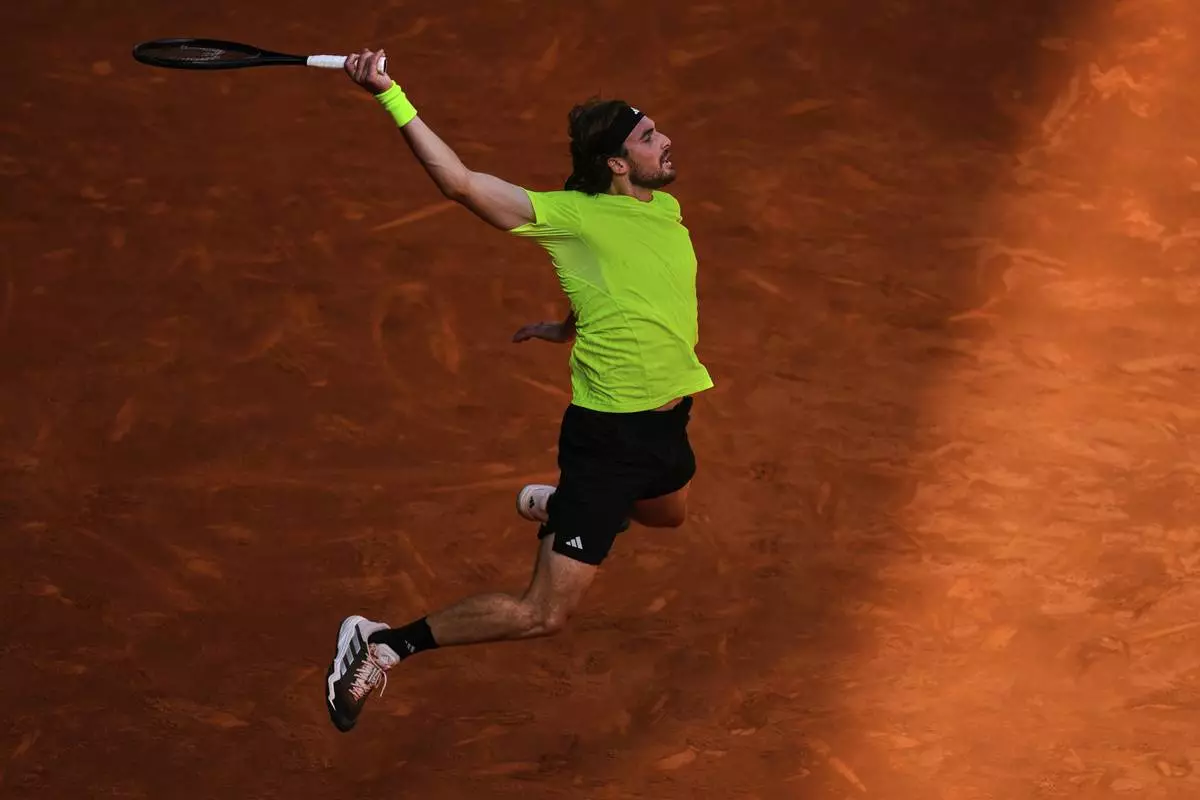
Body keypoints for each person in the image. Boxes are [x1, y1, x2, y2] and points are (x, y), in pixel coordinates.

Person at [325, 48, 714, 733]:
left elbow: (627, 279)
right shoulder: (569, 215)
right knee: (543, 614)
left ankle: (566, 506)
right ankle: (382, 643)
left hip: (669, 421)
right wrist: (389, 94)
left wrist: (569, 325)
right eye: (649, 137)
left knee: (669, 515)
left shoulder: (663, 208)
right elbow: (459, 182)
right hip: (610, 439)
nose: (666, 140)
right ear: (617, 163)